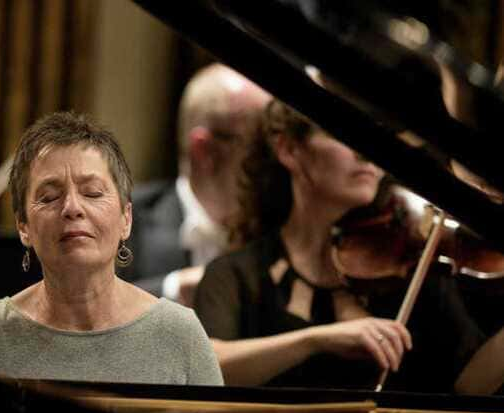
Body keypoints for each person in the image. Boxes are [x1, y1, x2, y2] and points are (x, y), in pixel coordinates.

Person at [193, 100, 487, 393]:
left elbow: (475, 384)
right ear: (288, 149)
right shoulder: (237, 275)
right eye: (344, 135)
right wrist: (317, 340)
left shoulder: (412, 267)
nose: (366, 154)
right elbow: (202, 367)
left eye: (375, 139)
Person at [0, 111, 223, 385]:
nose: (71, 208)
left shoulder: (180, 334)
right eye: (50, 197)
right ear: (23, 227)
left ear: (126, 219)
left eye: (92, 193)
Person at [119, 63, 270, 307]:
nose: (277, 160)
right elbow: (76, 319)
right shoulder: (118, 223)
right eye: (260, 147)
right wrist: (175, 289)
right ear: (204, 152)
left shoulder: (282, 228)